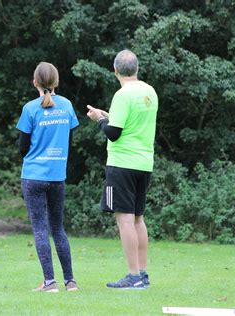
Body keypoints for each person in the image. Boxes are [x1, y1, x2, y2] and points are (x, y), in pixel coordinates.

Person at [87, 49, 158, 289]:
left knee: (125, 220)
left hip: (122, 164)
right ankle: (143, 273)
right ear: (137, 69)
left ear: (115, 70)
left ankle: (132, 275)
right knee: (138, 219)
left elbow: (113, 133)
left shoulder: (122, 94)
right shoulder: (150, 92)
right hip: (144, 163)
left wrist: (99, 118)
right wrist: (109, 116)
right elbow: (131, 123)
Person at [16, 62, 79, 293]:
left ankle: (49, 282)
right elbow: (67, 140)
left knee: (40, 230)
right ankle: (70, 281)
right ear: (57, 82)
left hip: (33, 175)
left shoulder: (30, 109)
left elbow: (23, 148)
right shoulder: (67, 106)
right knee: (58, 228)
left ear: (35, 82)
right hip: (57, 176)